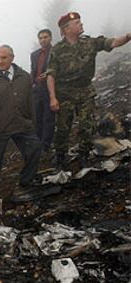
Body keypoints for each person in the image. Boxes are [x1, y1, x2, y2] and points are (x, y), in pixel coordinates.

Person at [46, 12, 131, 169]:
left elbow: (112, 42)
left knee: (87, 125)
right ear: (66, 29)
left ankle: (84, 155)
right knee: (63, 128)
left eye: (80, 22)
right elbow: (51, 75)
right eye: (77, 23)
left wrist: (127, 36)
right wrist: (53, 98)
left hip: (85, 92)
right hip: (64, 94)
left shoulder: (90, 43)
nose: (81, 24)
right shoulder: (57, 50)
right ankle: (60, 157)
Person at [0, 45, 42, 200]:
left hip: (22, 124)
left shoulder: (25, 77)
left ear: (12, 57)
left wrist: (33, 123)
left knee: (35, 148)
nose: (0, 61)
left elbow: (30, 102)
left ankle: (27, 180)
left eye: (3, 58)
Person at [30, 29, 55, 151]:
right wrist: (32, 84)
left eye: (45, 37)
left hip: (50, 88)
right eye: (40, 38)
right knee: (37, 117)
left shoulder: (55, 52)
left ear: (50, 38)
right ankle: (38, 142)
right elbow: (33, 70)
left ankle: (46, 144)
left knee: (48, 117)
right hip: (37, 90)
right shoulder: (34, 55)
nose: (43, 40)